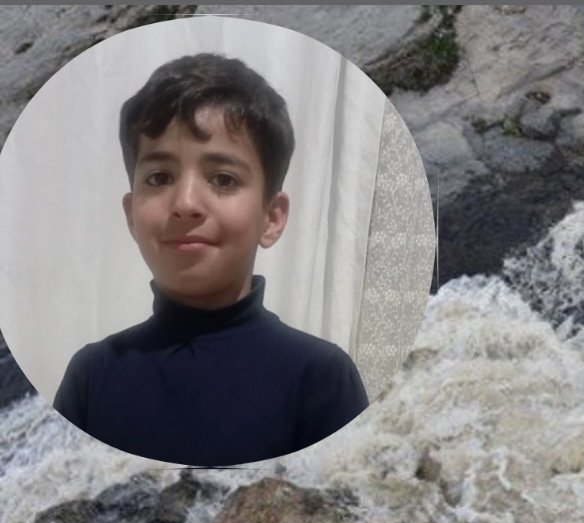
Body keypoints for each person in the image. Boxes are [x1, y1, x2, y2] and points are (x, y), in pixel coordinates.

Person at [53, 54, 368, 466]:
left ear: (271, 218)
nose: (185, 204)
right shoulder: (92, 375)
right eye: (159, 177)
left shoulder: (320, 376)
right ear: (131, 215)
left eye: (223, 179)